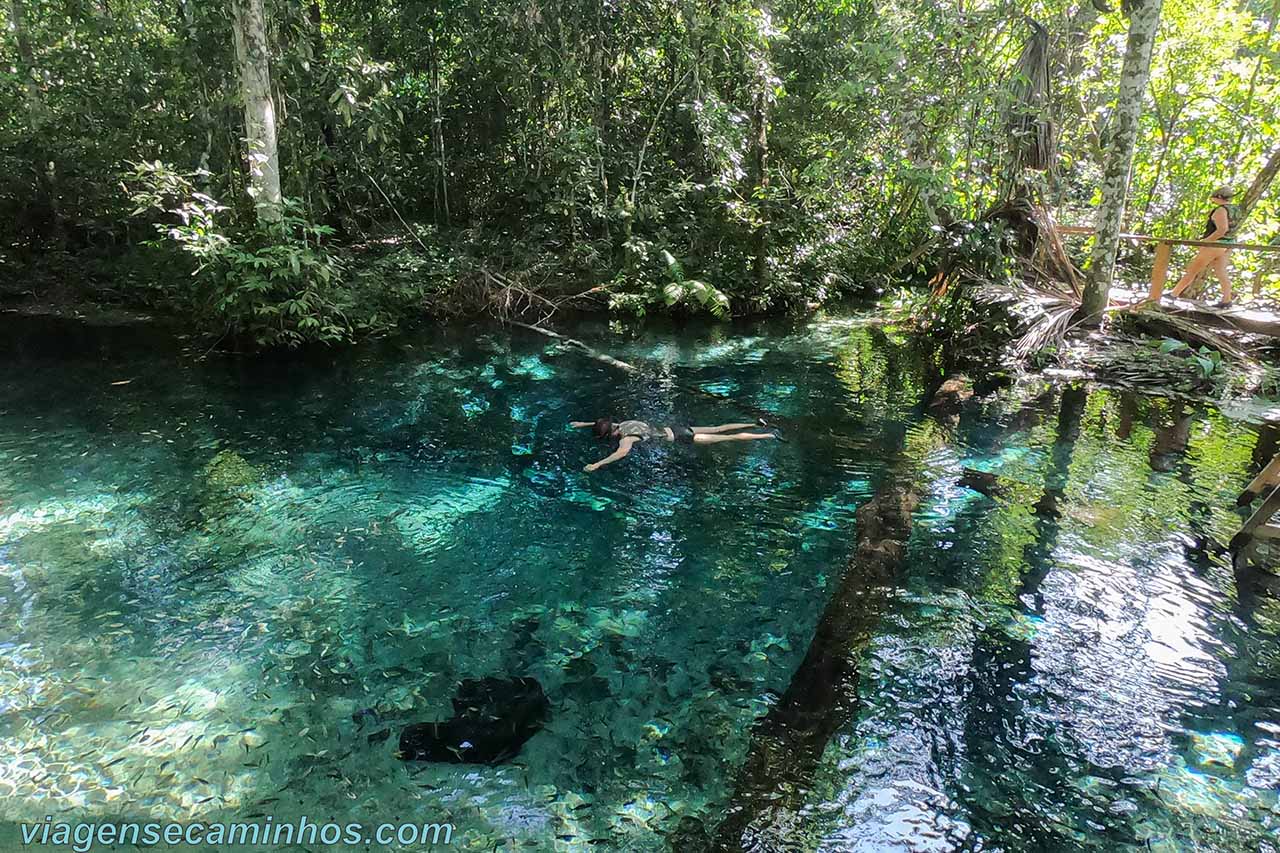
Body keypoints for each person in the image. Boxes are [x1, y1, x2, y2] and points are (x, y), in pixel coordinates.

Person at [570, 417, 779, 472]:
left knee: (729, 438)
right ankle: (756, 423)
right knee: (719, 428)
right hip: (677, 429)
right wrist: (583, 424)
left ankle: (768, 436)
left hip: (682, 439)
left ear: (612, 434)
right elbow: (605, 423)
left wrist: (597, 464)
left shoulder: (626, 438)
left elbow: (621, 454)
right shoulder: (624, 424)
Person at [1169, 186, 1239, 307]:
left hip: (1216, 244)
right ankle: (1226, 300)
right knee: (1221, 271)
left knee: (1192, 269)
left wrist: (1205, 242)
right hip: (1228, 244)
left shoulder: (1221, 210)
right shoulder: (1235, 210)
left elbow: (1222, 230)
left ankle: (1174, 294)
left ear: (1219, 197)